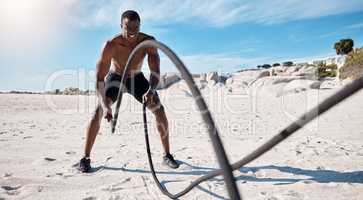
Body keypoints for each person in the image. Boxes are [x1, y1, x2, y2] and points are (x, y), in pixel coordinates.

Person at [79, 10, 179, 172]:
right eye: (128, 27)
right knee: (98, 111)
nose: (132, 32)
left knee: (159, 110)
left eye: (136, 27)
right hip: (116, 77)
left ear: (140, 26)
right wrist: (105, 105)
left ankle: (167, 155)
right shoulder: (111, 45)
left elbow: (155, 70)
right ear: (121, 26)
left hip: (136, 79)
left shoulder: (148, 42)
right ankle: (85, 158)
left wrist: (152, 89)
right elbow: (99, 79)